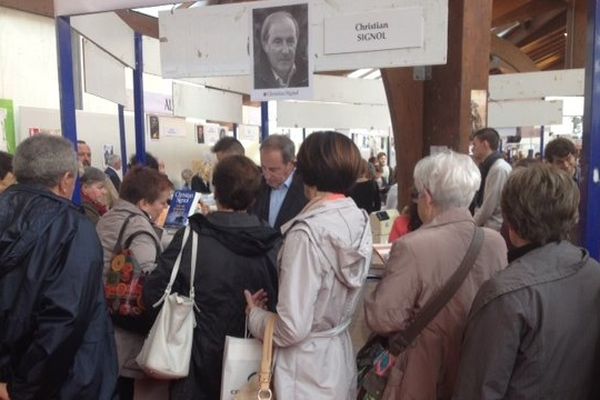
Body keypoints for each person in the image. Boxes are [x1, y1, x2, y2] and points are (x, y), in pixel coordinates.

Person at [364, 150, 507, 400]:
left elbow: (382, 318)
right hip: (475, 365)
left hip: (423, 371)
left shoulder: (412, 246)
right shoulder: (494, 242)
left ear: (428, 198)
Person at [453, 164, 600, 400]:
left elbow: (478, 389)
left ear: (510, 220)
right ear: (573, 214)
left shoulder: (504, 295)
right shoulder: (593, 272)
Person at [245, 131, 372, 399]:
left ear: (306, 172)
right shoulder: (359, 219)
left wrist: (254, 315)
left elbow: (291, 328)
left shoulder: (306, 234)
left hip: (303, 369)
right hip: (338, 354)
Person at [144, 155, 281, 400]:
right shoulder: (273, 244)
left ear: (215, 190)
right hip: (258, 360)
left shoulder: (192, 238)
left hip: (194, 360)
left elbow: (154, 293)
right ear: (255, 196)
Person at [0, 135, 118, 400]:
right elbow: (65, 317)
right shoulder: (73, 228)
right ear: (66, 180)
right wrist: (23, 388)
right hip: (62, 383)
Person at [96, 166, 172, 400]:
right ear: (144, 204)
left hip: (102, 318)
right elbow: (147, 283)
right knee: (126, 389)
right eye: (162, 202)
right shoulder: (139, 230)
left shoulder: (108, 218)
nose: (164, 208)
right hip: (126, 328)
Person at [250, 134, 308, 230]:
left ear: (290, 164)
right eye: (264, 168)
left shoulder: (306, 189)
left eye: (273, 170)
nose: (267, 175)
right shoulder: (255, 184)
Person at [471, 127, 512, 231]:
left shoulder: (499, 169)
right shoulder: (489, 166)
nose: (472, 149)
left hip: (495, 227)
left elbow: (489, 205)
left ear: (485, 144)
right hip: (487, 225)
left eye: (475, 144)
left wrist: (471, 224)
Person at [255, 10, 308, 89]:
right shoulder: (254, 77)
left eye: (290, 41)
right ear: (265, 45)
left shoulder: (309, 73)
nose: (285, 51)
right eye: (278, 42)